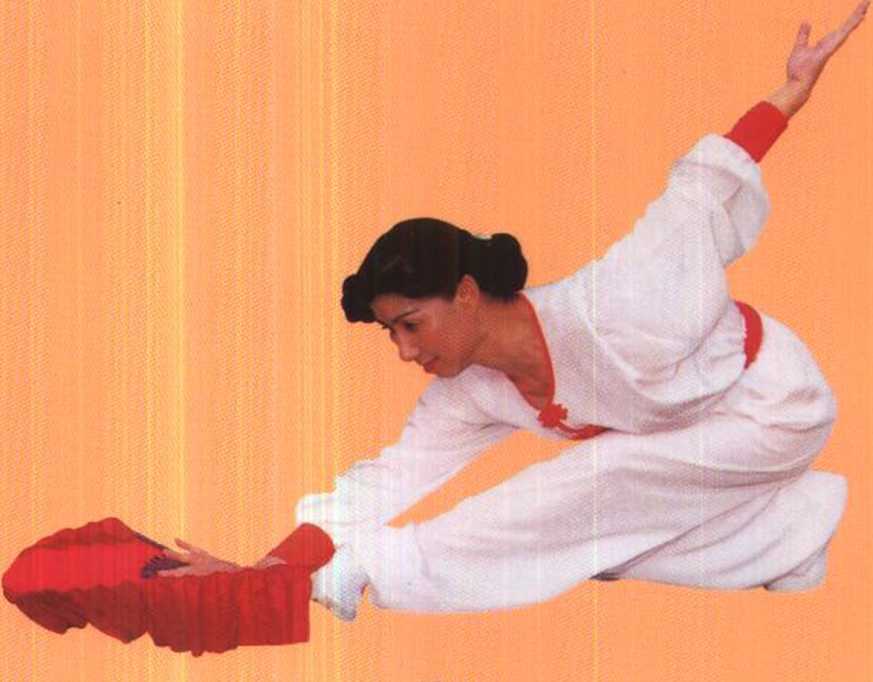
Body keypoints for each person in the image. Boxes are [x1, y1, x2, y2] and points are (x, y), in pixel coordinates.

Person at [158, 2, 868, 623]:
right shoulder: (468, 391)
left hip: (770, 405)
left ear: (466, 293)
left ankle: (356, 575)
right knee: (590, 542)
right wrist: (262, 574)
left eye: (411, 324)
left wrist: (792, 89)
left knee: (589, 490)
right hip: (688, 443)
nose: (404, 350)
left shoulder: (620, 299)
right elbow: (383, 483)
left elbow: (700, 190)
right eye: (391, 333)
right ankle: (792, 532)